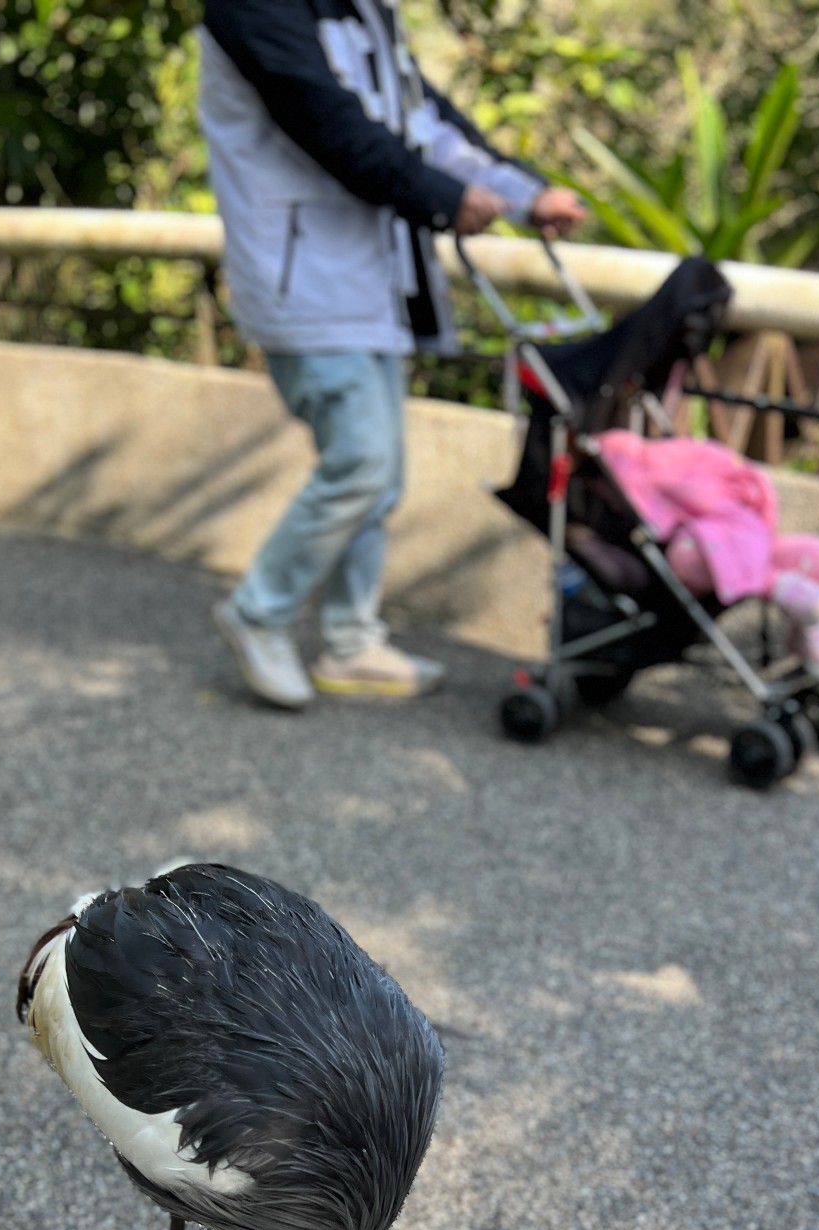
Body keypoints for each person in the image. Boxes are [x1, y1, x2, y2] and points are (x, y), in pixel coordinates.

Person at [200, 0, 584, 709]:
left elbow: (423, 122)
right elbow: (330, 124)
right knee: (361, 463)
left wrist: (525, 196)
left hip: (368, 280)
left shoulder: (364, 10)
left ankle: (350, 642)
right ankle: (259, 611)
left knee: (378, 478)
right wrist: (441, 198)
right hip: (301, 280)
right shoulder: (255, 8)